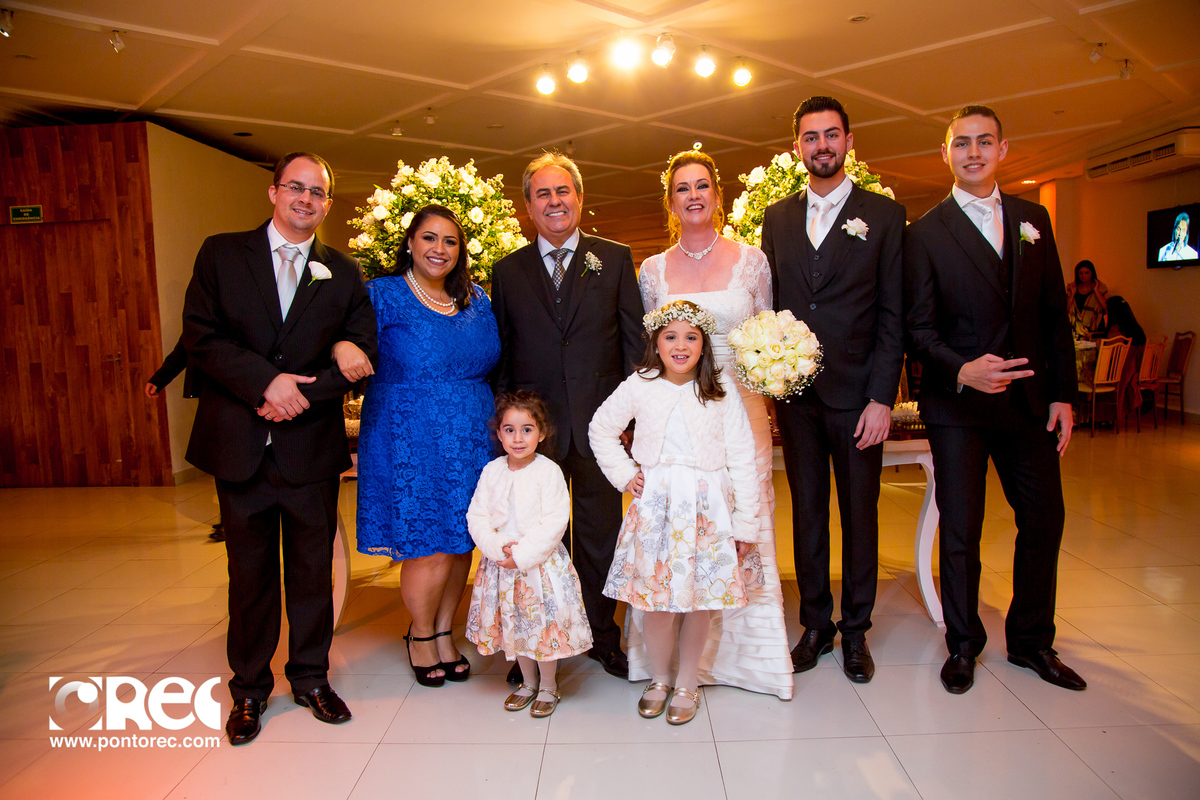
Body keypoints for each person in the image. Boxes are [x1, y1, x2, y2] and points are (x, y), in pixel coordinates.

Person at [181, 151, 378, 744]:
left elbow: (362, 351)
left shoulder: (342, 272)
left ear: (327, 204)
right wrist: (265, 383)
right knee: (249, 574)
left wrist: (301, 392)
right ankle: (248, 689)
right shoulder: (222, 254)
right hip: (240, 444)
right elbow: (200, 337)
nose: (305, 199)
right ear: (273, 193)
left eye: (317, 192)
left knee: (313, 573)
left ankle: (311, 678)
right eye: (296, 187)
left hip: (309, 447)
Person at [905, 105, 1085, 694]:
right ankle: (963, 644)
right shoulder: (923, 233)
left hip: (1029, 402)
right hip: (958, 406)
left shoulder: (1035, 220)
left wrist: (1063, 395)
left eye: (985, 142)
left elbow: (1054, 314)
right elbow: (917, 328)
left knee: (1044, 517)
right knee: (961, 528)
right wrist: (963, 369)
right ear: (946, 154)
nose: (974, 152)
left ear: (1003, 150)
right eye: (962, 143)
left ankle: (1031, 641)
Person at [761, 96, 906, 684]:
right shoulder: (777, 217)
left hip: (859, 397)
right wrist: (770, 382)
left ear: (849, 141)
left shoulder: (885, 215)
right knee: (807, 514)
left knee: (860, 515)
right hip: (796, 397)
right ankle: (816, 624)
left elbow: (893, 314)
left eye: (831, 134)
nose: (821, 145)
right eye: (810, 136)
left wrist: (881, 397)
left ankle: (856, 630)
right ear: (797, 146)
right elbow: (771, 305)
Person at [637, 149, 792, 700]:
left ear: (717, 195)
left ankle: (748, 661)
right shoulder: (652, 271)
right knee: (679, 522)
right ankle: (670, 665)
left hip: (741, 407)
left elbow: (767, 333)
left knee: (744, 517)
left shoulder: (752, 262)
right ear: (670, 202)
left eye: (702, 185)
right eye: (682, 188)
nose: (693, 195)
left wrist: (772, 384)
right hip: (678, 417)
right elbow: (652, 352)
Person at [490, 152, 644, 681]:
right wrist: (507, 429)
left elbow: (633, 346)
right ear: (528, 205)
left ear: (579, 197)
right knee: (537, 539)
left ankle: (601, 635)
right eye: (543, 193)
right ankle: (534, 644)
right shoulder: (508, 271)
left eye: (563, 191)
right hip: (534, 434)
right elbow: (504, 354)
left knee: (600, 536)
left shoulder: (615, 258)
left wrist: (631, 423)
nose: (554, 202)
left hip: (601, 429)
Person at [589, 300, 761, 725]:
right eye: (671, 337)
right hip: (657, 508)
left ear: (704, 345)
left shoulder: (720, 389)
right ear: (656, 343)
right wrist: (625, 474)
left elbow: (743, 456)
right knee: (658, 603)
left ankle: (687, 681)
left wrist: (745, 524)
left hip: (707, 510)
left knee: (698, 601)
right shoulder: (640, 384)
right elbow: (601, 429)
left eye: (691, 337)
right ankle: (660, 678)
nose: (680, 346)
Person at [354, 204, 499, 687]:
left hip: (474, 436)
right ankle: (419, 634)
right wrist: (339, 347)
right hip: (409, 436)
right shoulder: (383, 295)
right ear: (410, 243)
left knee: (461, 542)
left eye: (450, 241)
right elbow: (346, 344)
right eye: (429, 238)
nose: (440, 249)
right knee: (429, 545)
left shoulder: (476, 298)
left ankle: (443, 631)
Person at [465, 392, 592, 718]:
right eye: (509, 430)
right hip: (502, 567)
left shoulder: (548, 471)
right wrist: (496, 548)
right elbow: (477, 516)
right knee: (516, 625)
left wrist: (522, 555)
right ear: (499, 433)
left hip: (539, 567)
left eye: (527, 429)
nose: (518, 438)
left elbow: (555, 520)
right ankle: (527, 681)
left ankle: (548, 684)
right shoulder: (492, 470)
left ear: (542, 433)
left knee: (542, 627)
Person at [1065, 260, 1108, 339]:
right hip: (1076, 329)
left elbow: (1106, 307)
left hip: (1095, 328)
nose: (1083, 276)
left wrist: (1096, 291)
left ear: (1092, 273)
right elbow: (1066, 310)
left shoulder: (1100, 288)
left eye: (1086, 273)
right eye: (1081, 273)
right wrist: (1072, 295)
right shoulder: (1072, 287)